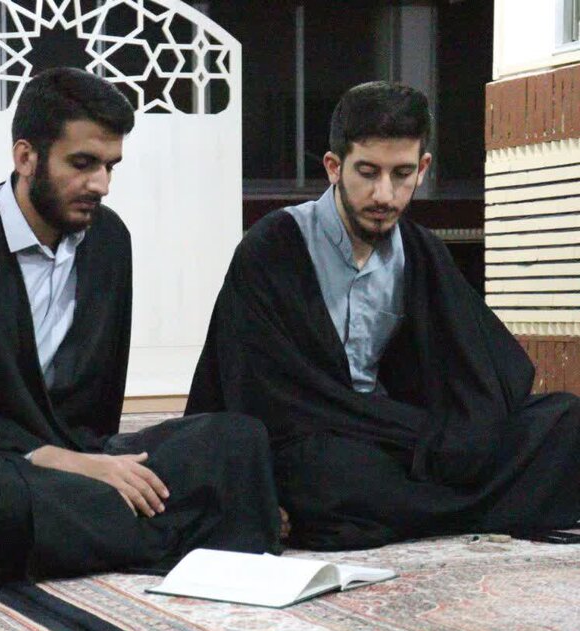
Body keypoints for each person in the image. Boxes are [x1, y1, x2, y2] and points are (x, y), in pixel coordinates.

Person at [0, 67, 282, 582]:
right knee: (1, 505)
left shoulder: (109, 241)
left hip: (78, 460)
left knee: (235, 439)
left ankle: (118, 531)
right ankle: (179, 531)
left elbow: (97, 408)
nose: (101, 185)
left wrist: (98, 463)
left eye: (110, 166)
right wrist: (63, 462)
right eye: (83, 164)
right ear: (26, 158)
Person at [187, 81, 580, 550]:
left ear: (423, 169)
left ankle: (412, 512)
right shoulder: (274, 246)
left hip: (402, 438)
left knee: (562, 419)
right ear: (334, 167)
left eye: (402, 175)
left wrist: (456, 435)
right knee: (327, 476)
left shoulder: (420, 251)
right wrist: (415, 438)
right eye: (368, 173)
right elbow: (263, 392)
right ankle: (460, 504)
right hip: (322, 437)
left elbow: (482, 371)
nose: (384, 195)